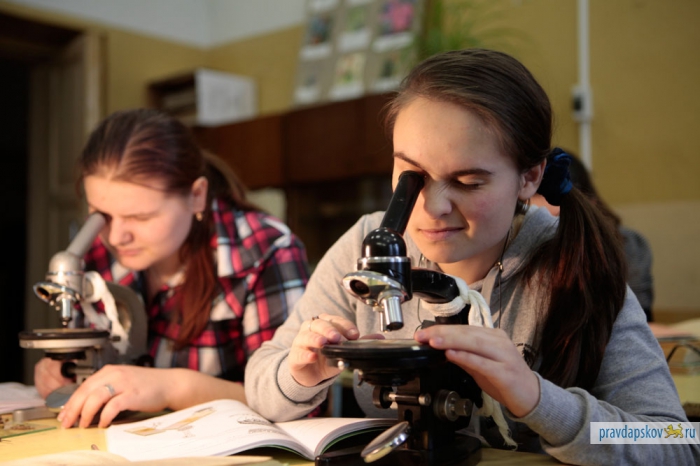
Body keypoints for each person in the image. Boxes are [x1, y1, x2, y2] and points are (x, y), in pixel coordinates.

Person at [244, 49, 698, 464]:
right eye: (411, 176)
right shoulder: (366, 242)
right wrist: (299, 374)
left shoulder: (577, 264)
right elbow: (262, 384)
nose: (433, 206)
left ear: (529, 177)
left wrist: (538, 399)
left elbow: (676, 442)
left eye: (468, 182)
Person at [34, 108, 310, 428]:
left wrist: (172, 388)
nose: (117, 237)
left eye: (140, 217)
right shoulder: (97, 250)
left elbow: (297, 401)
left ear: (196, 196)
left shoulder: (264, 250)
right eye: (101, 215)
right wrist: (61, 373)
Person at [531, 153, 655, 321]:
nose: (549, 231)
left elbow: (641, 317)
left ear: (587, 203)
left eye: (557, 219)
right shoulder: (516, 249)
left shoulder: (627, 245)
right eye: (534, 219)